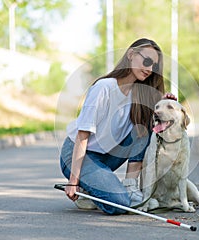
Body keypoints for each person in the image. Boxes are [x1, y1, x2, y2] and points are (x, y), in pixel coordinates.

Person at [59, 38, 176, 215]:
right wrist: (73, 181)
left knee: (145, 128)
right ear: (131, 55)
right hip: (78, 156)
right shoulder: (104, 88)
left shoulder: (139, 94)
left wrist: (167, 104)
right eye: (146, 61)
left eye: (154, 66)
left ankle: (129, 186)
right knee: (119, 203)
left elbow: (152, 131)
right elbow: (82, 136)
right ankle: (89, 186)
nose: (149, 69)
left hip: (107, 156)